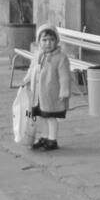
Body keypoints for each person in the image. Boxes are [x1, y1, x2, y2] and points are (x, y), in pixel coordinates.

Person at [25, 23, 71, 151]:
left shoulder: (60, 58)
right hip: (38, 93)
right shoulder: (38, 55)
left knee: (51, 117)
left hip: (51, 93)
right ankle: (44, 136)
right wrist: (27, 79)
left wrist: (64, 91)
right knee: (41, 116)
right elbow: (32, 68)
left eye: (51, 40)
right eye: (44, 40)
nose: (48, 43)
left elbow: (64, 76)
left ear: (56, 41)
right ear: (39, 41)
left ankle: (52, 139)